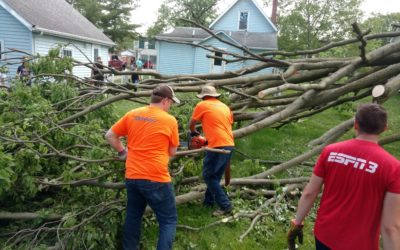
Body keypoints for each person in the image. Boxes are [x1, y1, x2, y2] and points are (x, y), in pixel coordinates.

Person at [287, 103, 400, 250]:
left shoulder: (330, 151)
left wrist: (297, 223)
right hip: (359, 244)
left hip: (325, 235)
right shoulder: (393, 167)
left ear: (356, 124)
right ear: (385, 128)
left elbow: (310, 192)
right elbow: (390, 227)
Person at [105, 85, 180, 250]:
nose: (170, 107)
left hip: (132, 176)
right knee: (168, 220)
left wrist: (123, 152)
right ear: (166, 100)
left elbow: (110, 135)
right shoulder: (170, 120)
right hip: (156, 177)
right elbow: (173, 151)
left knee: (133, 215)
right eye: (171, 103)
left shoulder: (133, 114)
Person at [189, 85, 235, 216]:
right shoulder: (225, 107)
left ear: (204, 96)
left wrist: (193, 132)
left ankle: (226, 205)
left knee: (208, 176)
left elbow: (191, 124)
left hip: (217, 146)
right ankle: (208, 201)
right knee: (215, 177)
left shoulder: (202, 105)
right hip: (229, 143)